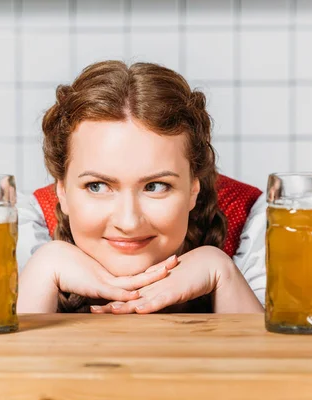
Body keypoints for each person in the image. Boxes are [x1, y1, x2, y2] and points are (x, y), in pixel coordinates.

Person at [16, 60, 266, 314]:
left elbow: (276, 352)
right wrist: (41, 271)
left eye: (155, 186)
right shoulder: (25, 231)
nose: (129, 222)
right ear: (62, 191)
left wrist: (224, 273)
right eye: (97, 186)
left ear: (193, 189)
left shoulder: (255, 222)